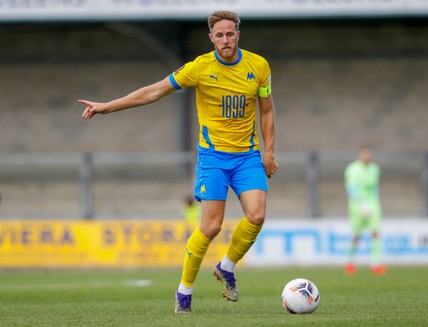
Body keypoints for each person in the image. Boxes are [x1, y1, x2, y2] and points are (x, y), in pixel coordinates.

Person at [78, 10, 278, 313]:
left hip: (247, 156)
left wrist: (269, 152)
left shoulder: (259, 66)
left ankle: (226, 267)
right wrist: (108, 107)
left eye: (230, 33)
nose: (225, 39)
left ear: (239, 34)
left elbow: (266, 110)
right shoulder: (199, 68)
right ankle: (184, 291)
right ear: (211, 38)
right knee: (210, 227)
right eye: (219, 35)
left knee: (257, 215)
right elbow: (155, 91)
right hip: (213, 158)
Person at [344, 146, 386, 275]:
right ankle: (350, 262)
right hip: (357, 205)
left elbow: (374, 188)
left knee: (375, 233)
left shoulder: (374, 168)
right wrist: (361, 204)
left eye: (369, 154)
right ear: (360, 155)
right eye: (365, 154)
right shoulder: (353, 168)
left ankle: (375, 263)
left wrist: (374, 202)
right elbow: (350, 187)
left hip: (373, 204)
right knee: (356, 235)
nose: (367, 157)